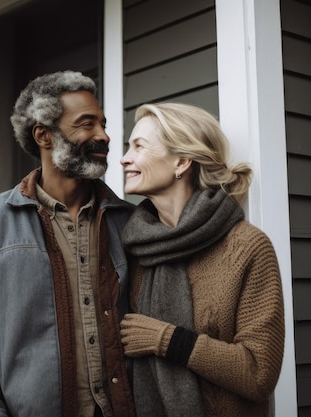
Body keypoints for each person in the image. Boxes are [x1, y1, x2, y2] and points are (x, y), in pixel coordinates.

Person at [0, 70, 136, 417]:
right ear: (44, 135)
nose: (104, 136)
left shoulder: (130, 223)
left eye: (103, 123)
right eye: (86, 124)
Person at [118, 102, 285, 417]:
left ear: (181, 161)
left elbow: (259, 373)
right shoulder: (136, 250)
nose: (125, 158)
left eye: (139, 146)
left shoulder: (247, 248)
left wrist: (168, 340)